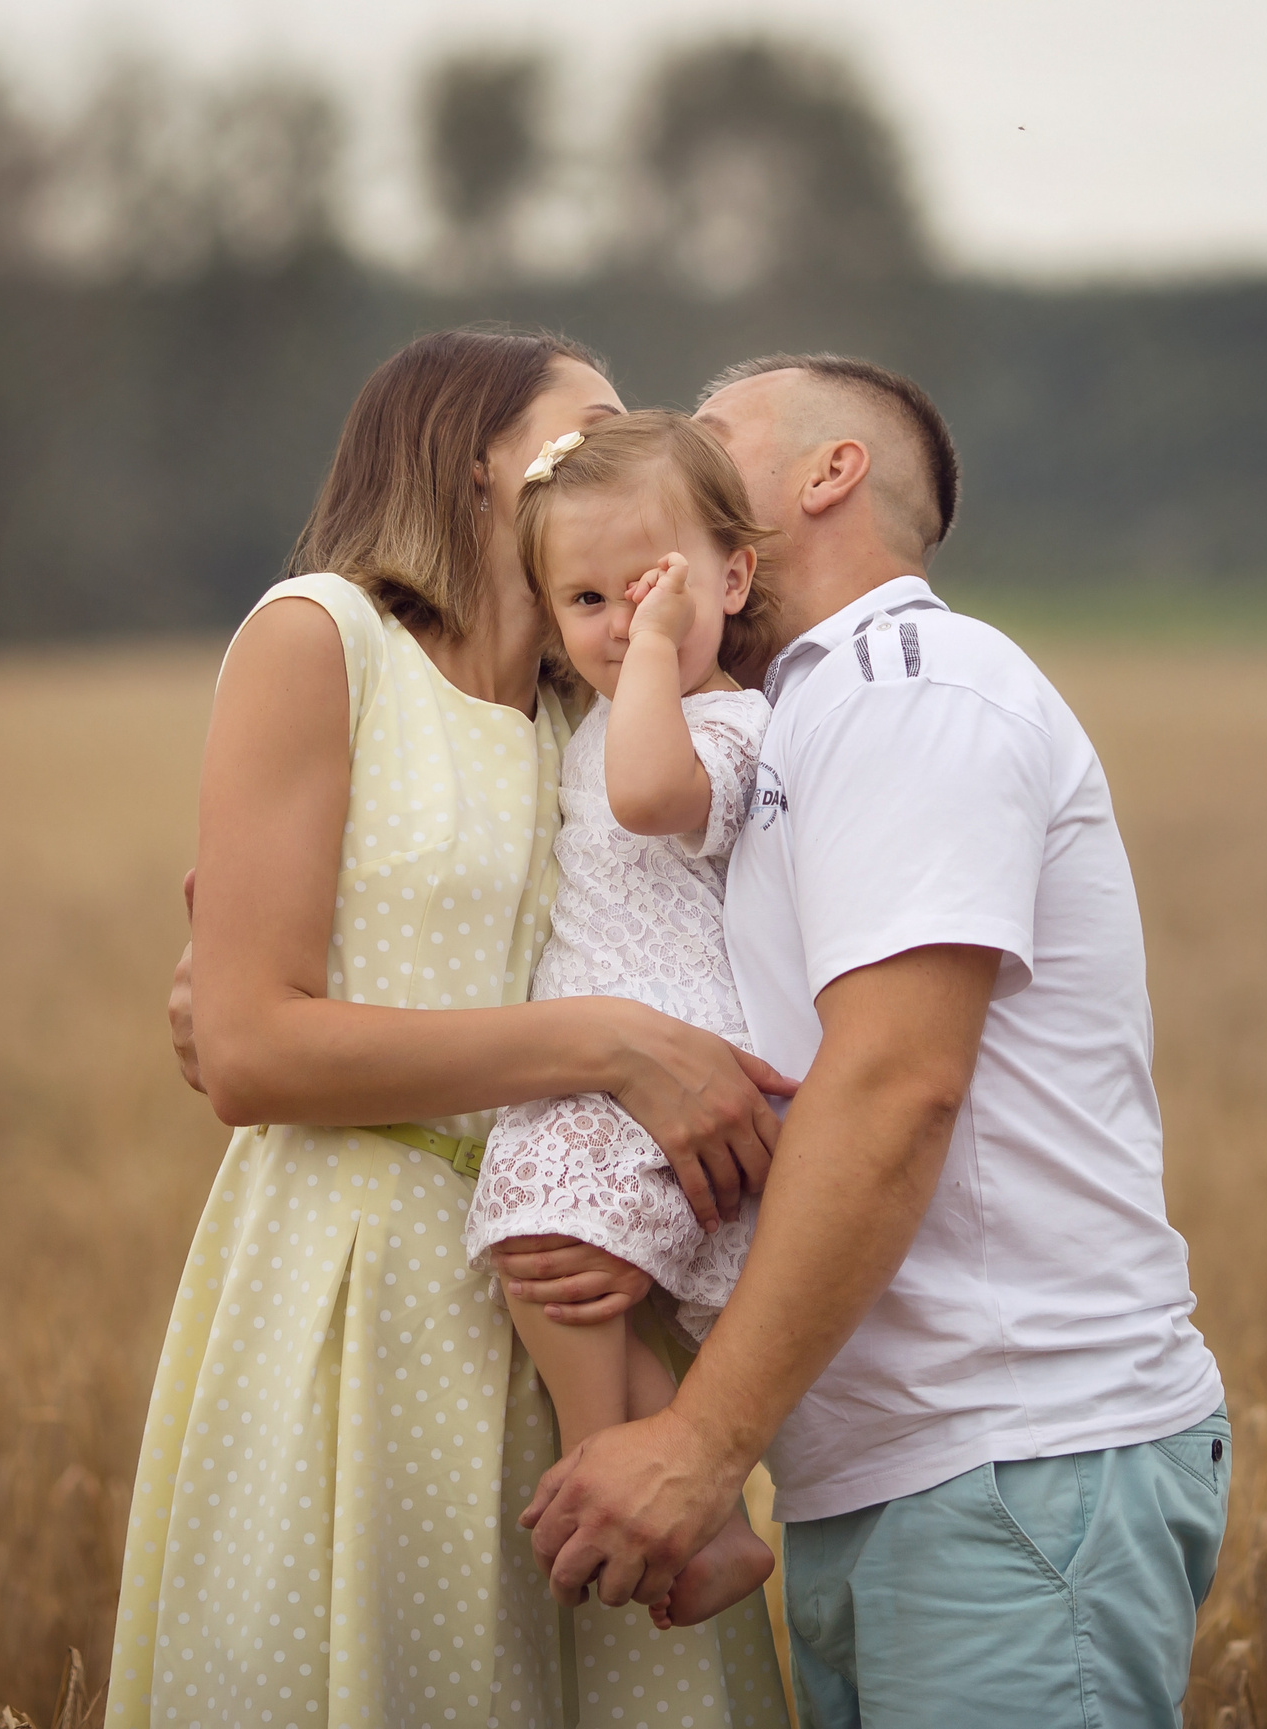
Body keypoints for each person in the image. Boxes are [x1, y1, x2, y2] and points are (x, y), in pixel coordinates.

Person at [516, 355, 1231, 1728]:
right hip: (908, 1481)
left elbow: (898, 1083)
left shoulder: (908, 686)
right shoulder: (792, 720)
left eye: (713, 446)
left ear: (826, 476)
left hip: (1012, 1470)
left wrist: (699, 1442)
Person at [115, 328, 793, 1729]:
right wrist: (608, 1047)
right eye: (585, 430)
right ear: (475, 459)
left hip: (585, 1287)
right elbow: (248, 1049)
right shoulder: (323, 639)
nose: (623, 457)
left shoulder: (599, 707)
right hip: (369, 1282)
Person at [461, 413, 784, 1630]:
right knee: (551, 1268)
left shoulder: (727, 724)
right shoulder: (604, 709)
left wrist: (650, 651)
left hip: (672, 1055)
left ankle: (634, 1483)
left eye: (648, 589)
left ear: (733, 577)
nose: (617, 622)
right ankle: (698, 1525)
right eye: (585, 599)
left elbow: (650, 798)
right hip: (609, 1069)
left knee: (547, 1251)